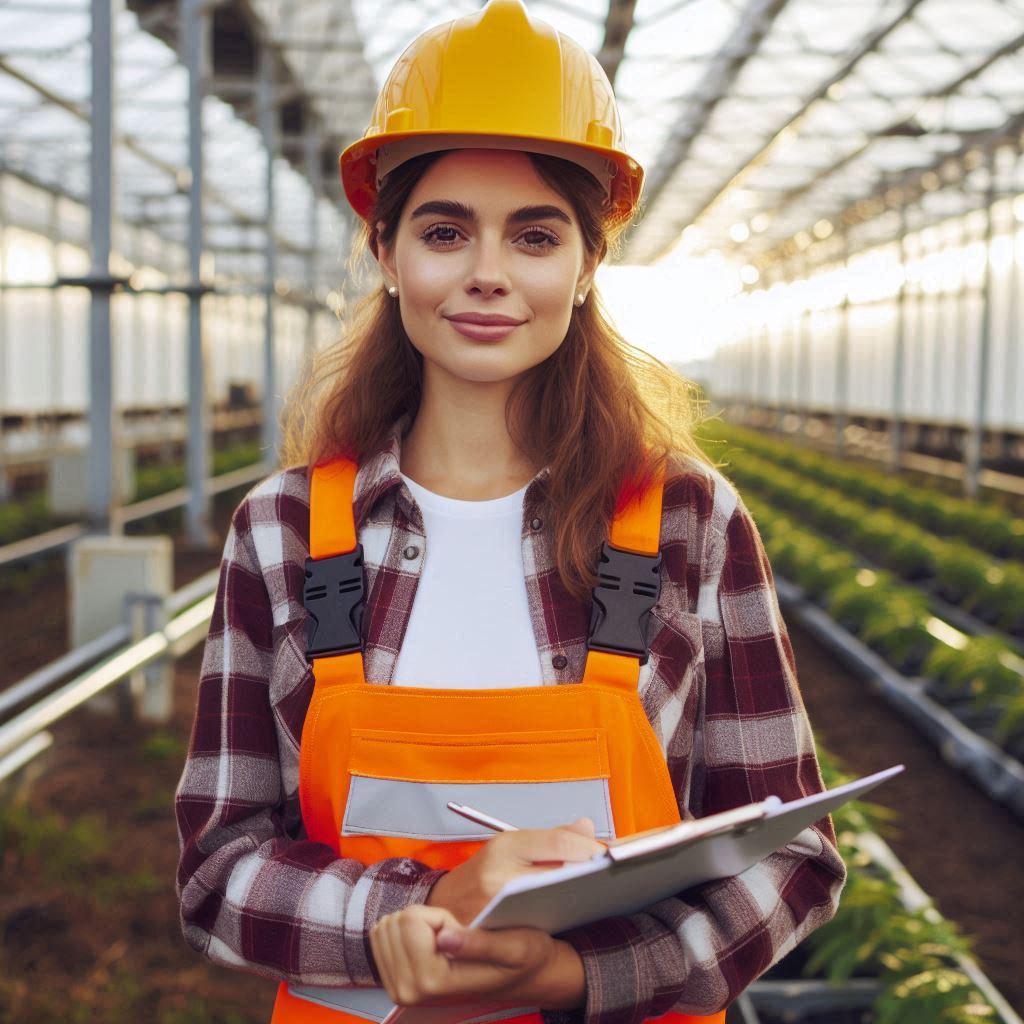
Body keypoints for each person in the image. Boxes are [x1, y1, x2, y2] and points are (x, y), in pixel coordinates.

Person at [174, 3, 847, 1023]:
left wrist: (580, 975)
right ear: (387, 251)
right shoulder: (283, 533)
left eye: (534, 234)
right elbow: (218, 863)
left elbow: (791, 850)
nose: (487, 270)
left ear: (585, 267)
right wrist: (412, 907)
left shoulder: (682, 521)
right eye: (445, 231)